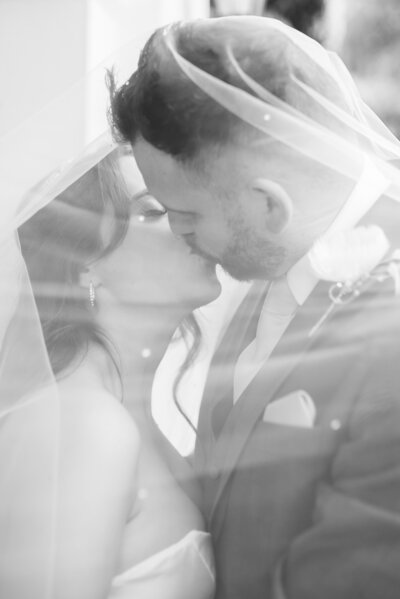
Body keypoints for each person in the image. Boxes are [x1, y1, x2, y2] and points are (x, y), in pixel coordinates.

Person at [108, 16, 400, 599]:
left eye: (185, 215)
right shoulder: (261, 276)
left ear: (270, 207)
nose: (178, 234)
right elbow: (222, 502)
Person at [7, 146, 219, 599]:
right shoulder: (86, 425)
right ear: (86, 265)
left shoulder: (130, 415)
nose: (188, 220)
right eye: (153, 210)